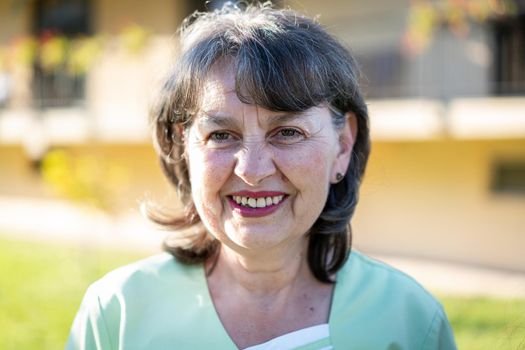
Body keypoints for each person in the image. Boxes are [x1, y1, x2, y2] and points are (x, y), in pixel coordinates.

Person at [66, 3, 456, 349]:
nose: (252, 171)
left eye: (287, 132)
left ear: (342, 144)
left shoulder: (408, 321)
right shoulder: (116, 315)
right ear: (184, 148)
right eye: (221, 135)